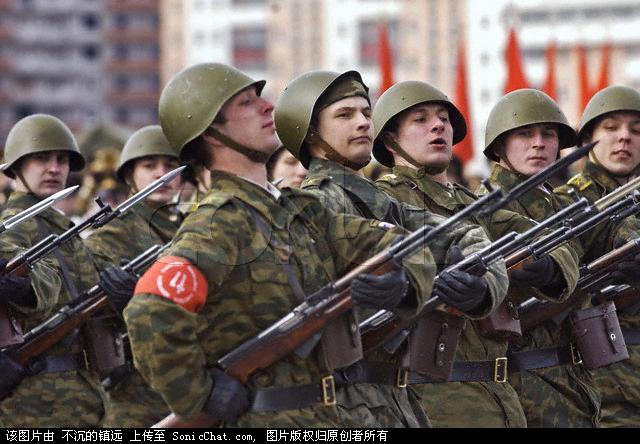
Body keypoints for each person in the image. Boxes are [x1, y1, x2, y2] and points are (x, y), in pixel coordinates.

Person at [123, 63, 437, 427]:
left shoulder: (299, 212)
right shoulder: (219, 224)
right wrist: (197, 394)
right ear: (211, 133)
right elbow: (149, 311)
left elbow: (402, 243)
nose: (267, 107)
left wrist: (404, 283)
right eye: (246, 103)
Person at [275, 70, 509, 427]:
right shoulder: (317, 205)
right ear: (310, 134)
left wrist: (482, 290)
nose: (362, 123)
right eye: (344, 115)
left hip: (392, 400)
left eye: (366, 113)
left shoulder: (382, 204)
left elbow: (467, 237)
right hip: (343, 407)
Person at [372, 82, 579, 428]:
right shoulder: (383, 202)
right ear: (390, 138)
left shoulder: (473, 204)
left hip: (498, 397)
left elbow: (552, 240)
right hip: (430, 401)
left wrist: (550, 268)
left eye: (443, 119)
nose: (438, 126)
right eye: (420, 120)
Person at [0, 114, 134, 427]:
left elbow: (85, 300)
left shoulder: (63, 229)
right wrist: (27, 286)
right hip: (33, 403)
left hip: (83, 395)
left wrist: (121, 295)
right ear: (17, 165)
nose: (54, 168)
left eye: (62, 160)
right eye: (42, 158)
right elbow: (36, 278)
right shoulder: (13, 227)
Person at [476, 88, 599, 427]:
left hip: (573, 376)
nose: (539, 144)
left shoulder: (561, 203)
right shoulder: (484, 206)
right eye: (525, 134)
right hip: (523, 380)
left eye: (548, 134)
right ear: (499, 145)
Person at [84, 125, 184, 427]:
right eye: (149, 166)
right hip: (137, 390)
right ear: (130, 175)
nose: (161, 174)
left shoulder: (194, 227)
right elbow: (90, 314)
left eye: (170, 165)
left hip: (191, 378)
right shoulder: (113, 233)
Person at [555, 85, 640, 428]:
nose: (624, 137)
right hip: (602, 382)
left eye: (636, 130)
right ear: (588, 138)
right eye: (611, 128)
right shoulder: (562, 203)